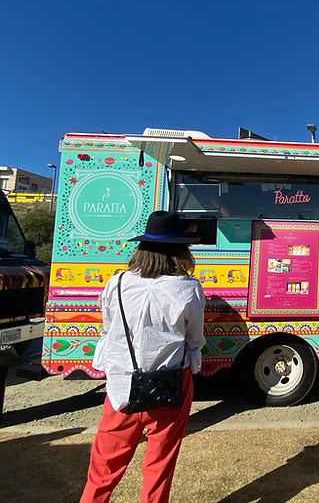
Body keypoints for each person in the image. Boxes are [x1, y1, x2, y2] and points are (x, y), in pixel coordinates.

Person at [80, 211, 206, 503]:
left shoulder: (118, 282)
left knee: (104, 465)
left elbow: (109, 329)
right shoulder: (188, 288)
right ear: (181, 250)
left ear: (143, 248)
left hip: (121, 384)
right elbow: (195, 339)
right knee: (160, 463)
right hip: (171, 380)